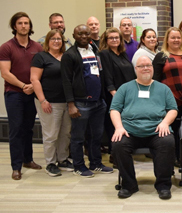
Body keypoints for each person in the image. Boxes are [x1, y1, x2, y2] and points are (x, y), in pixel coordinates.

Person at [111, 56, 177, 200]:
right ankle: (128, 185)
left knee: (168, 142)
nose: (146, 68)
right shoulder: (125, 88)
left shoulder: (163, 88)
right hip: (129, 131)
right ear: (136, 69)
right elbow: (114, 109)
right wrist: (118, 127)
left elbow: (173, 109)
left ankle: (163, 185)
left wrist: (165, 123)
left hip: (156, 130)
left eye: (148, 65)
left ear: (153, 68)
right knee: (118, 144)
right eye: (142, 66)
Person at [60, 24, 113, 178]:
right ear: (74, 36)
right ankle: (78, 166)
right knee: (78, 137)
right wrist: (71, 104)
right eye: (80, 34)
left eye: (86, 34)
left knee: (96, 136)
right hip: (80, 103)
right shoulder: (69, 55)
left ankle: (96, 163)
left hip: (98, 102)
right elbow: (66, 81)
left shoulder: (95, 51)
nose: (84, 36)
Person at [0, 12, 43, 180]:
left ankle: (28, 160)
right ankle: (16, 167)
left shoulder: (37, 47)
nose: (24, 26)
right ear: (14, 26)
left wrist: (33, 86)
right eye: (20, 23)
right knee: (16, 130)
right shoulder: (6, 47)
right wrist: (23, 86)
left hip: (32, 94)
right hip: (14, 93)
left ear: (30, 26)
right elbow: (5, 73)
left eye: (26, 23)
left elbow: (42, 70)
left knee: (29, 128)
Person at [30, 29, 73, 177]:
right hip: (49, 102)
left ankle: (62, 159)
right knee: (51, 134)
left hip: (66, 102)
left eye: (59, 39)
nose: (56, 41)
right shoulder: (41, 57)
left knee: (65, 133)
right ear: (47, 41)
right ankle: (50, 163)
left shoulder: (66, 57)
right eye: (53, 39)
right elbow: (34, 80)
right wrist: (42, 100)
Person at [152, 27, 182, 162]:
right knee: (173, 129)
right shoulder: (162, 56)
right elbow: (155, 80)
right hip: (170, 100)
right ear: (167, 40)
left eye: (178, 37)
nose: (176, 40)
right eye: (173, 37)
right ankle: (174, 157)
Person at [99, 27, 136, 164]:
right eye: (111, 38)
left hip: (127, 94)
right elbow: (107, 75)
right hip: (114, 96)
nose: (115, 40)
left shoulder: (122, 54)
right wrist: (113, 93)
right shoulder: (104, 54)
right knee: (114, 125)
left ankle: (122, 153)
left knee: (124, 123)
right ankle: (114, 155)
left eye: (117, 38)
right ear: (106, 40)